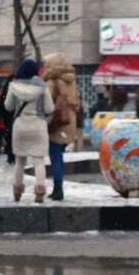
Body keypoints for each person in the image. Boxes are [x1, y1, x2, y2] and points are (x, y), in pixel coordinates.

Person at [4, 58, 53, 203]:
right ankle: (40, 190)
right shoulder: (43, 87)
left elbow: (8, 106)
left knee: (19, 161)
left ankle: (17, 191)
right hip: (38, 125)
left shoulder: (13, 86)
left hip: (20, 126)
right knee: (38, 161)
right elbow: (49, 109)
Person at [42, 52, 81, 201]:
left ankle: (58, 189)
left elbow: (47, 104)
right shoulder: (71, 81)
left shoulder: (52, 82)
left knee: (55, 156)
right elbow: (77, 102)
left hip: (57, 122)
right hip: (69, 121)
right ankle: (58, 188)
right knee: (59, 155)